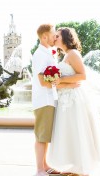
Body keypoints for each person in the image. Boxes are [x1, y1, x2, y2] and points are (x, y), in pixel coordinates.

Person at [47, 27, 100, 176]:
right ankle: (74, 167)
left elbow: (82, 75)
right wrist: (60, 83)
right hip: (65, 98)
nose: (54, 38)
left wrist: (61, 80)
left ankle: (83, 169)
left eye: (57, 36)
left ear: (65, 37)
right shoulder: (64, 56)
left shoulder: (73, 54)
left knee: (78, 130)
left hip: (75, 98)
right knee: (69, 131)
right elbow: (59, 82)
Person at [32, 24, 78, 176]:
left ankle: (45, 166)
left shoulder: (48, 53)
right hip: (44, 100)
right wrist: (65, 82)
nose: (55, 38)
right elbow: (42, 81)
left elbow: (50, 79)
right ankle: (39, 169)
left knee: (45, 135)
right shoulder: (40, 55)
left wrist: (64, 82)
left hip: (50, 99)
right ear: (45, 37)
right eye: (53, 35)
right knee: (41, 136)